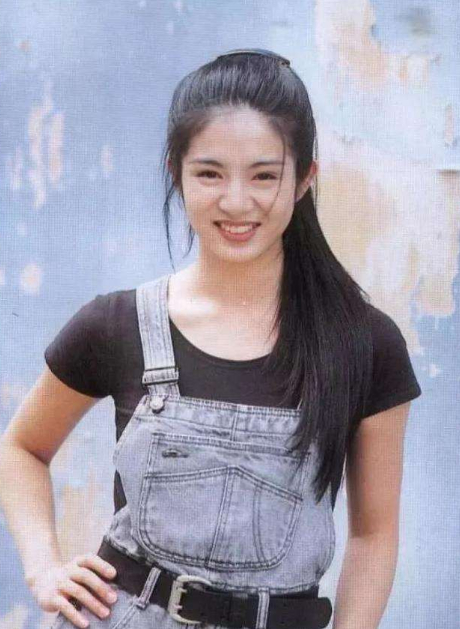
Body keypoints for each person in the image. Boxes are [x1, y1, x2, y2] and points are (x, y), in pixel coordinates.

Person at [0, 49, 422, 629]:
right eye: (210, 173)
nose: (236, 201)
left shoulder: (364, 344)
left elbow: (374, 535)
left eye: (264, 175)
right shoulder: (117, 324)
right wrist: (43, 569)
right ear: (176, 172)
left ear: (305, 179)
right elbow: (21, 448)